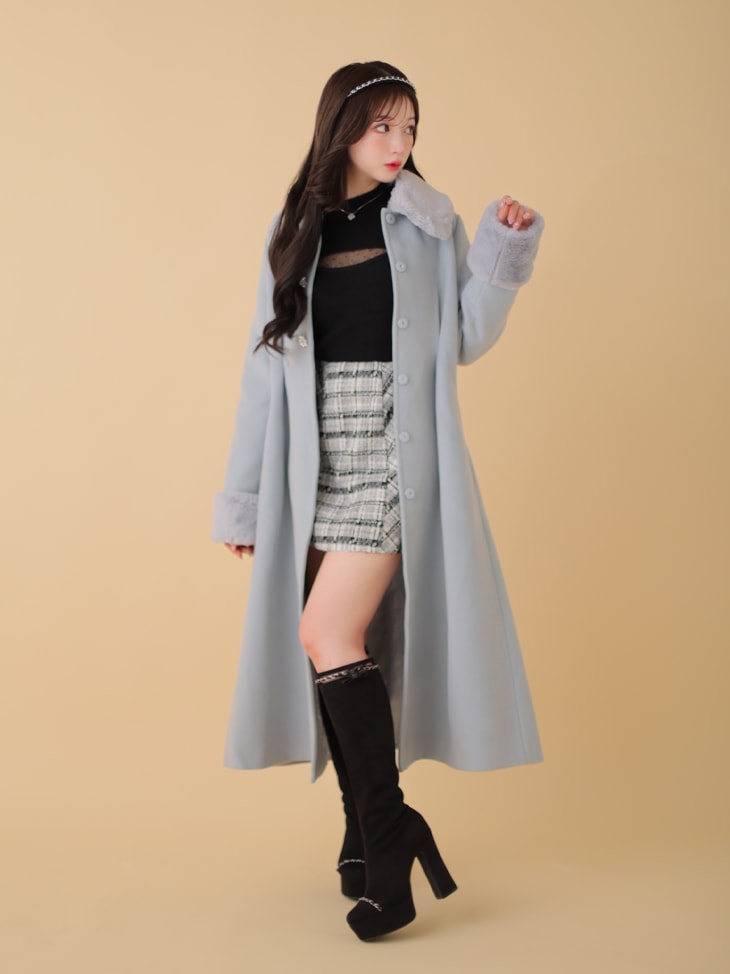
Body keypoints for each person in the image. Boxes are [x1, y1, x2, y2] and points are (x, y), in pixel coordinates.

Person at [211, 60, 545, 941]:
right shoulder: (295, 227)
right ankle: (363, 831)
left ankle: (391, 833)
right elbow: (263, 370)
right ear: (342, 130)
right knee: (343, 649)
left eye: (410, 128)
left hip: (395, 452)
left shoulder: (429, 221)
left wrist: (501, 256)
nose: (399, 144)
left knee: (325, 633)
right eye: (382, 126)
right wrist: (247, 495)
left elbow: (463, 336)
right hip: (313, 459)